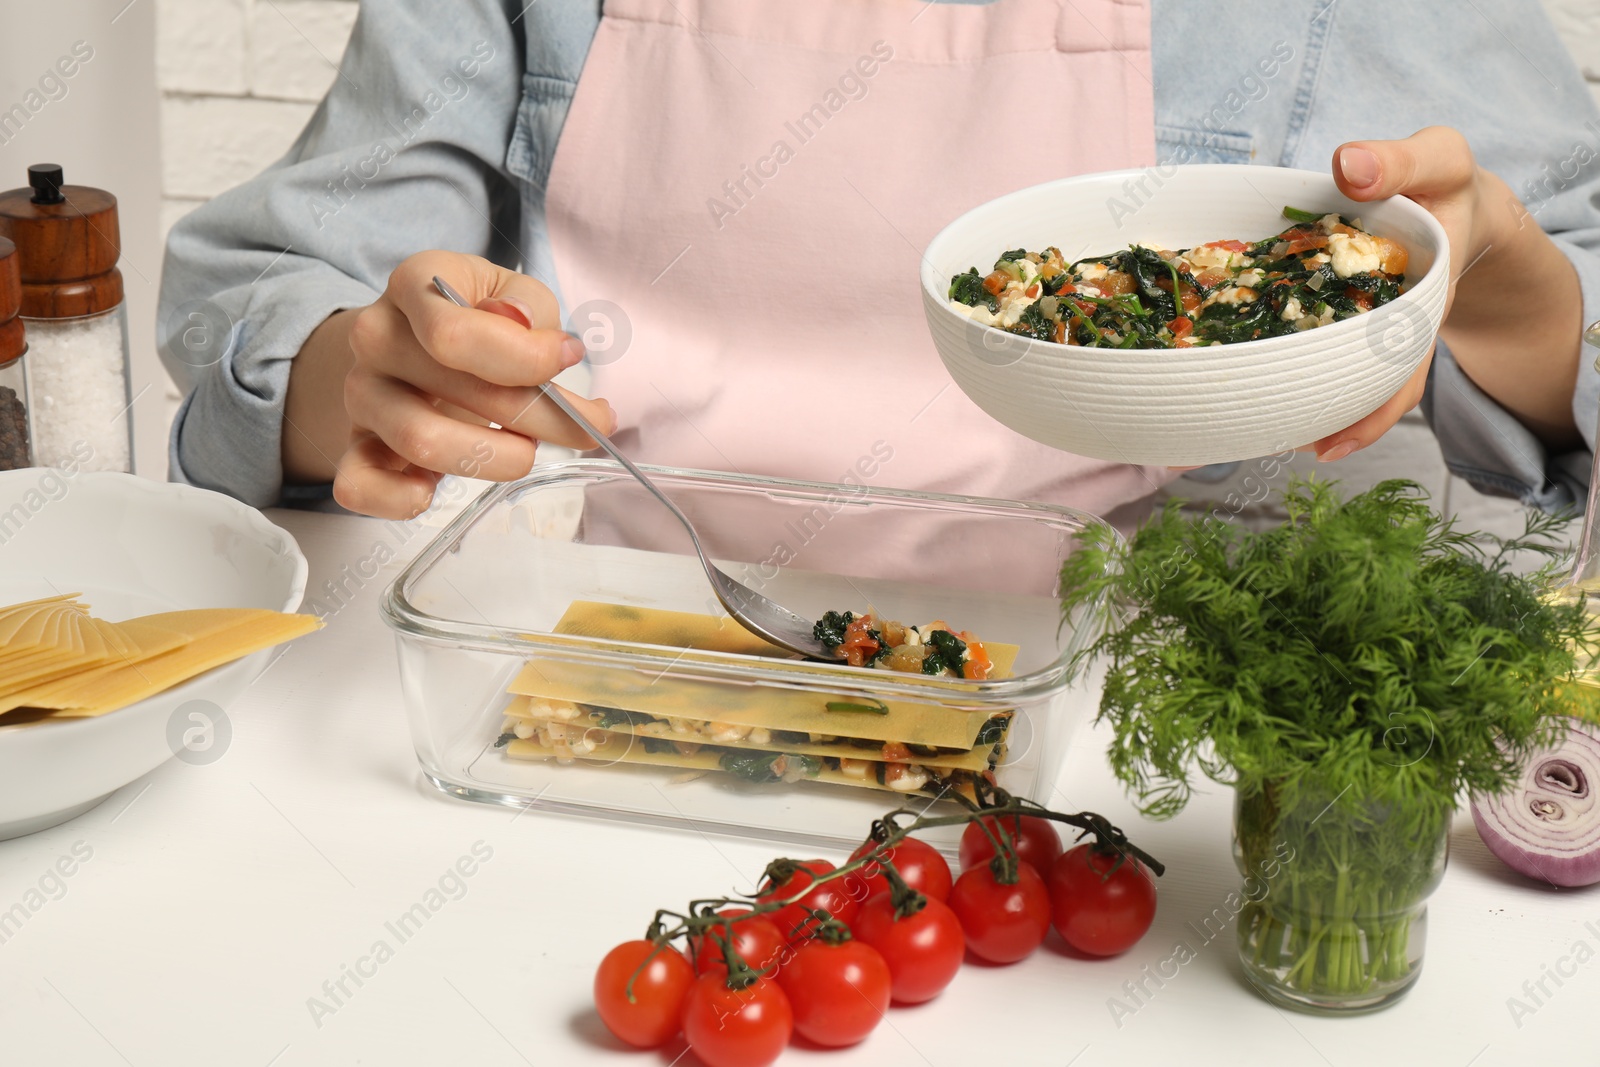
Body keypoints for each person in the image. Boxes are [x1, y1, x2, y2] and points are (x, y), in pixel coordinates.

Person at [158, 0, 1600, 529]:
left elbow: (1563, 317)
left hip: (1136, 748)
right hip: (607, 659)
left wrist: (1512, 299)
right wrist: (364, 372)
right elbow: (268, 295)